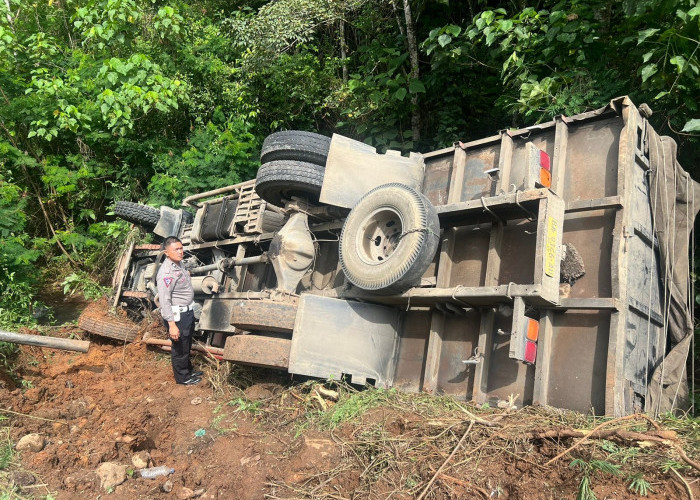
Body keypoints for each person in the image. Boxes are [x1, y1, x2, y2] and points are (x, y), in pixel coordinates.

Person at [156, 236, 203, 385]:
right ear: (166, 253)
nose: (180, 251)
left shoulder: (179, 264)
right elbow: (164, 300)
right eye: (176, 249)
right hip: (177, 316)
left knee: (186, 344)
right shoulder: (166, 273)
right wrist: (171, 325)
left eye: (181, 248)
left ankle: (188, 371)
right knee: (179, 348)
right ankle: (182, 378)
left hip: (186, 312)